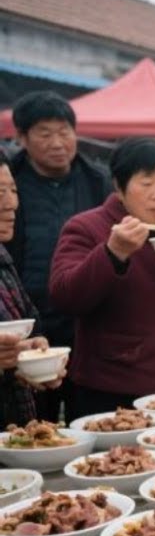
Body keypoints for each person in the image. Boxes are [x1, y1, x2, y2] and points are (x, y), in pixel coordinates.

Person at [48, 138, 155, 418]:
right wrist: (112, 253)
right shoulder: (87, 227)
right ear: (119, 186)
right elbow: (65, 295)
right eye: (146, 183)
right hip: (116, 386)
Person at [7, 91, 112, 420]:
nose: (57, 142)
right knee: (36, 414)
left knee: (86, 411)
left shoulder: (98, 182)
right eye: (44, 133)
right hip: (27, 323)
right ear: (21, 137)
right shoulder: (10, 182)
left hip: (86, 318)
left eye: (65, 131)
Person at [0, 151, 62, 424]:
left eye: (12, 190)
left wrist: (35, 354)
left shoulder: (3, 257)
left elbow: (30, 326)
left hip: (15, 428)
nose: (11, 203)